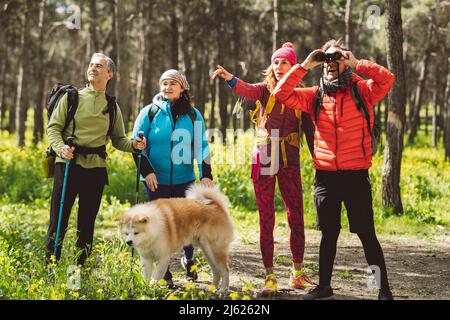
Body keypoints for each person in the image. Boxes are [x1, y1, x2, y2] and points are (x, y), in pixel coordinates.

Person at [274, 39, 395, 300]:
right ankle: (324, 286)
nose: (330, 65)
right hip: (326, 176)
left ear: (345, 63)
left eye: (335, 59)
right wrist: (305, 65)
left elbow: (387, 79)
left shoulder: (362, 90)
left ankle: (383, 289)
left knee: (366, 233)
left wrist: (355, 62)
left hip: (355, 175)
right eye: (326, 60)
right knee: (329, 233)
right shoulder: (315, 95)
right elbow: (280, 94)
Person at [212, 43, 313, 295]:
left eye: (284, 63)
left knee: (296, 215)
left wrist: (320, 161)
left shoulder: (303, 94)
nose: (279, 67)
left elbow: (310, 133)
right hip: (265, 156)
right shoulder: (264, 90)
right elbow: (246, 88)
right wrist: (230, 78)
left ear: (294, 66)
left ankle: (297, 273)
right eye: (276, 63)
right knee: (266, 218)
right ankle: (269, 276)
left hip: (289, 157)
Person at [46, 53, 146, 266]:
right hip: (68, 164)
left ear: (109, 74)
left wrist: (134, 146)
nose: (93, 68)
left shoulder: (111, 105)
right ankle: (51, 266)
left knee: (87, 223)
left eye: (99, 66)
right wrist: (61, 148)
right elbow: (53, 128)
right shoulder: (72, 97)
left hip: (96, 169)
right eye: (91, 65)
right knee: (59, 219)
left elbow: (119, 139)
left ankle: (79, 272)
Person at [132, 69, 213, 288]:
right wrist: (147, 172)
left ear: (183, 88)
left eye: (172, 84)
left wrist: (206, 174)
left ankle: (188, 258)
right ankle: (165, 271)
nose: (167, 87)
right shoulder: (149, 112)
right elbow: (136, 145)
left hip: (184, 179)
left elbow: (201, 146)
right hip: (155, 180)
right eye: (164, 83)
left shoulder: (193, 115)